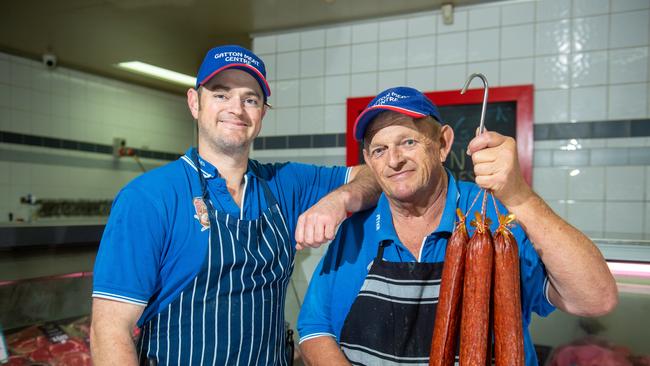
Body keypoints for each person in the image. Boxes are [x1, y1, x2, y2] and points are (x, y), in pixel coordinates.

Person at [89, 45, 380, 366]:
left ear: (262, 114)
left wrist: (339, 199)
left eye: (250, 99)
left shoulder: (284, 182)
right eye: (221, 94)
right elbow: (110, 329)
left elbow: (376, 175)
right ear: (194, 102)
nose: (237, 109)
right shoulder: (149, 197)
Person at [297, 86, 618, 366]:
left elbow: (595, 299)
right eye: (379, 150)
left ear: (443, 143)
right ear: (368, 159)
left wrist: (520, 198)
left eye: (408, 142)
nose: (393, 160)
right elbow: (314, 328)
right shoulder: (355, 230)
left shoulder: (495, 217)